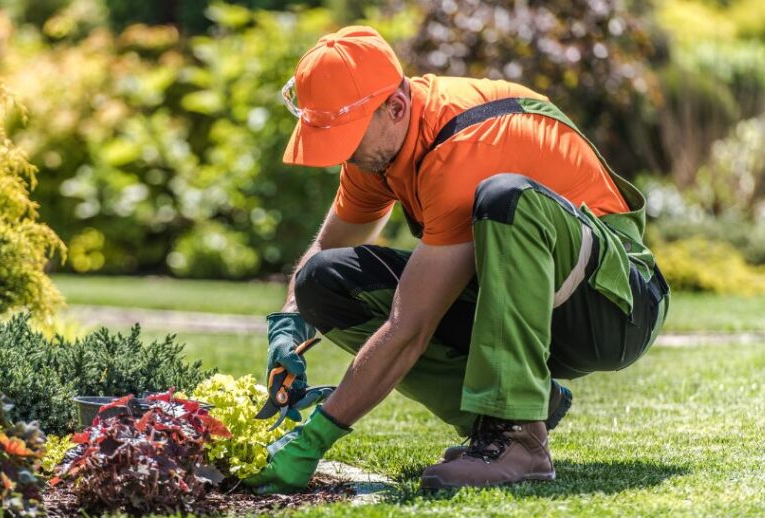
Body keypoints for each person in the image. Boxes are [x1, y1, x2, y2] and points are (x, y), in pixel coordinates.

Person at [242, 25, 670, 493]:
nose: (339, 156)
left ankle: (517, 436)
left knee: (506, 197)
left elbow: (409, 327)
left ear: (395, 107)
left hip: (616, 307)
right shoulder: (379, 151)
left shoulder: (464, 147)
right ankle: (508, 416)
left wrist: (315, 437)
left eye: (346, 138)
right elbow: (325, 250)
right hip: (534, 302)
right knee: (321, 281)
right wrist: (289, 324)